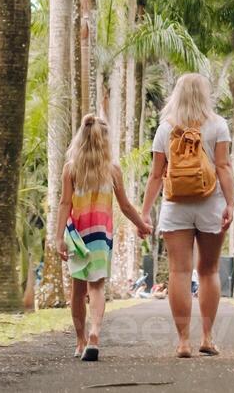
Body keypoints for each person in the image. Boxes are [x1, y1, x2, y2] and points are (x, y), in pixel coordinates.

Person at [140, 73, 234, 358]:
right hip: (211, 203)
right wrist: (230, 203)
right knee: (208, 270)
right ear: (205, 95)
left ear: (176, 95)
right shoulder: (218, 125)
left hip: (175, 204)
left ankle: (183, 342)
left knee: (179, 272)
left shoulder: (166, 128)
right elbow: (224, 167)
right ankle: (207, 337)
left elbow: (156, 175)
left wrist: (144, 212)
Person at [55, 114, 152, 362]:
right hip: (101, 236)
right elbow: (126, 206)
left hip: (77, 234)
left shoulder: (71, 169)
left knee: (78, 290)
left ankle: (80, 341)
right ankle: (95, 335)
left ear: (81, 138)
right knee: (96, 287)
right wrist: (142, 225)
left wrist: (58, 238)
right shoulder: (112, 170)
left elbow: (65, 204)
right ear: (104, 140)